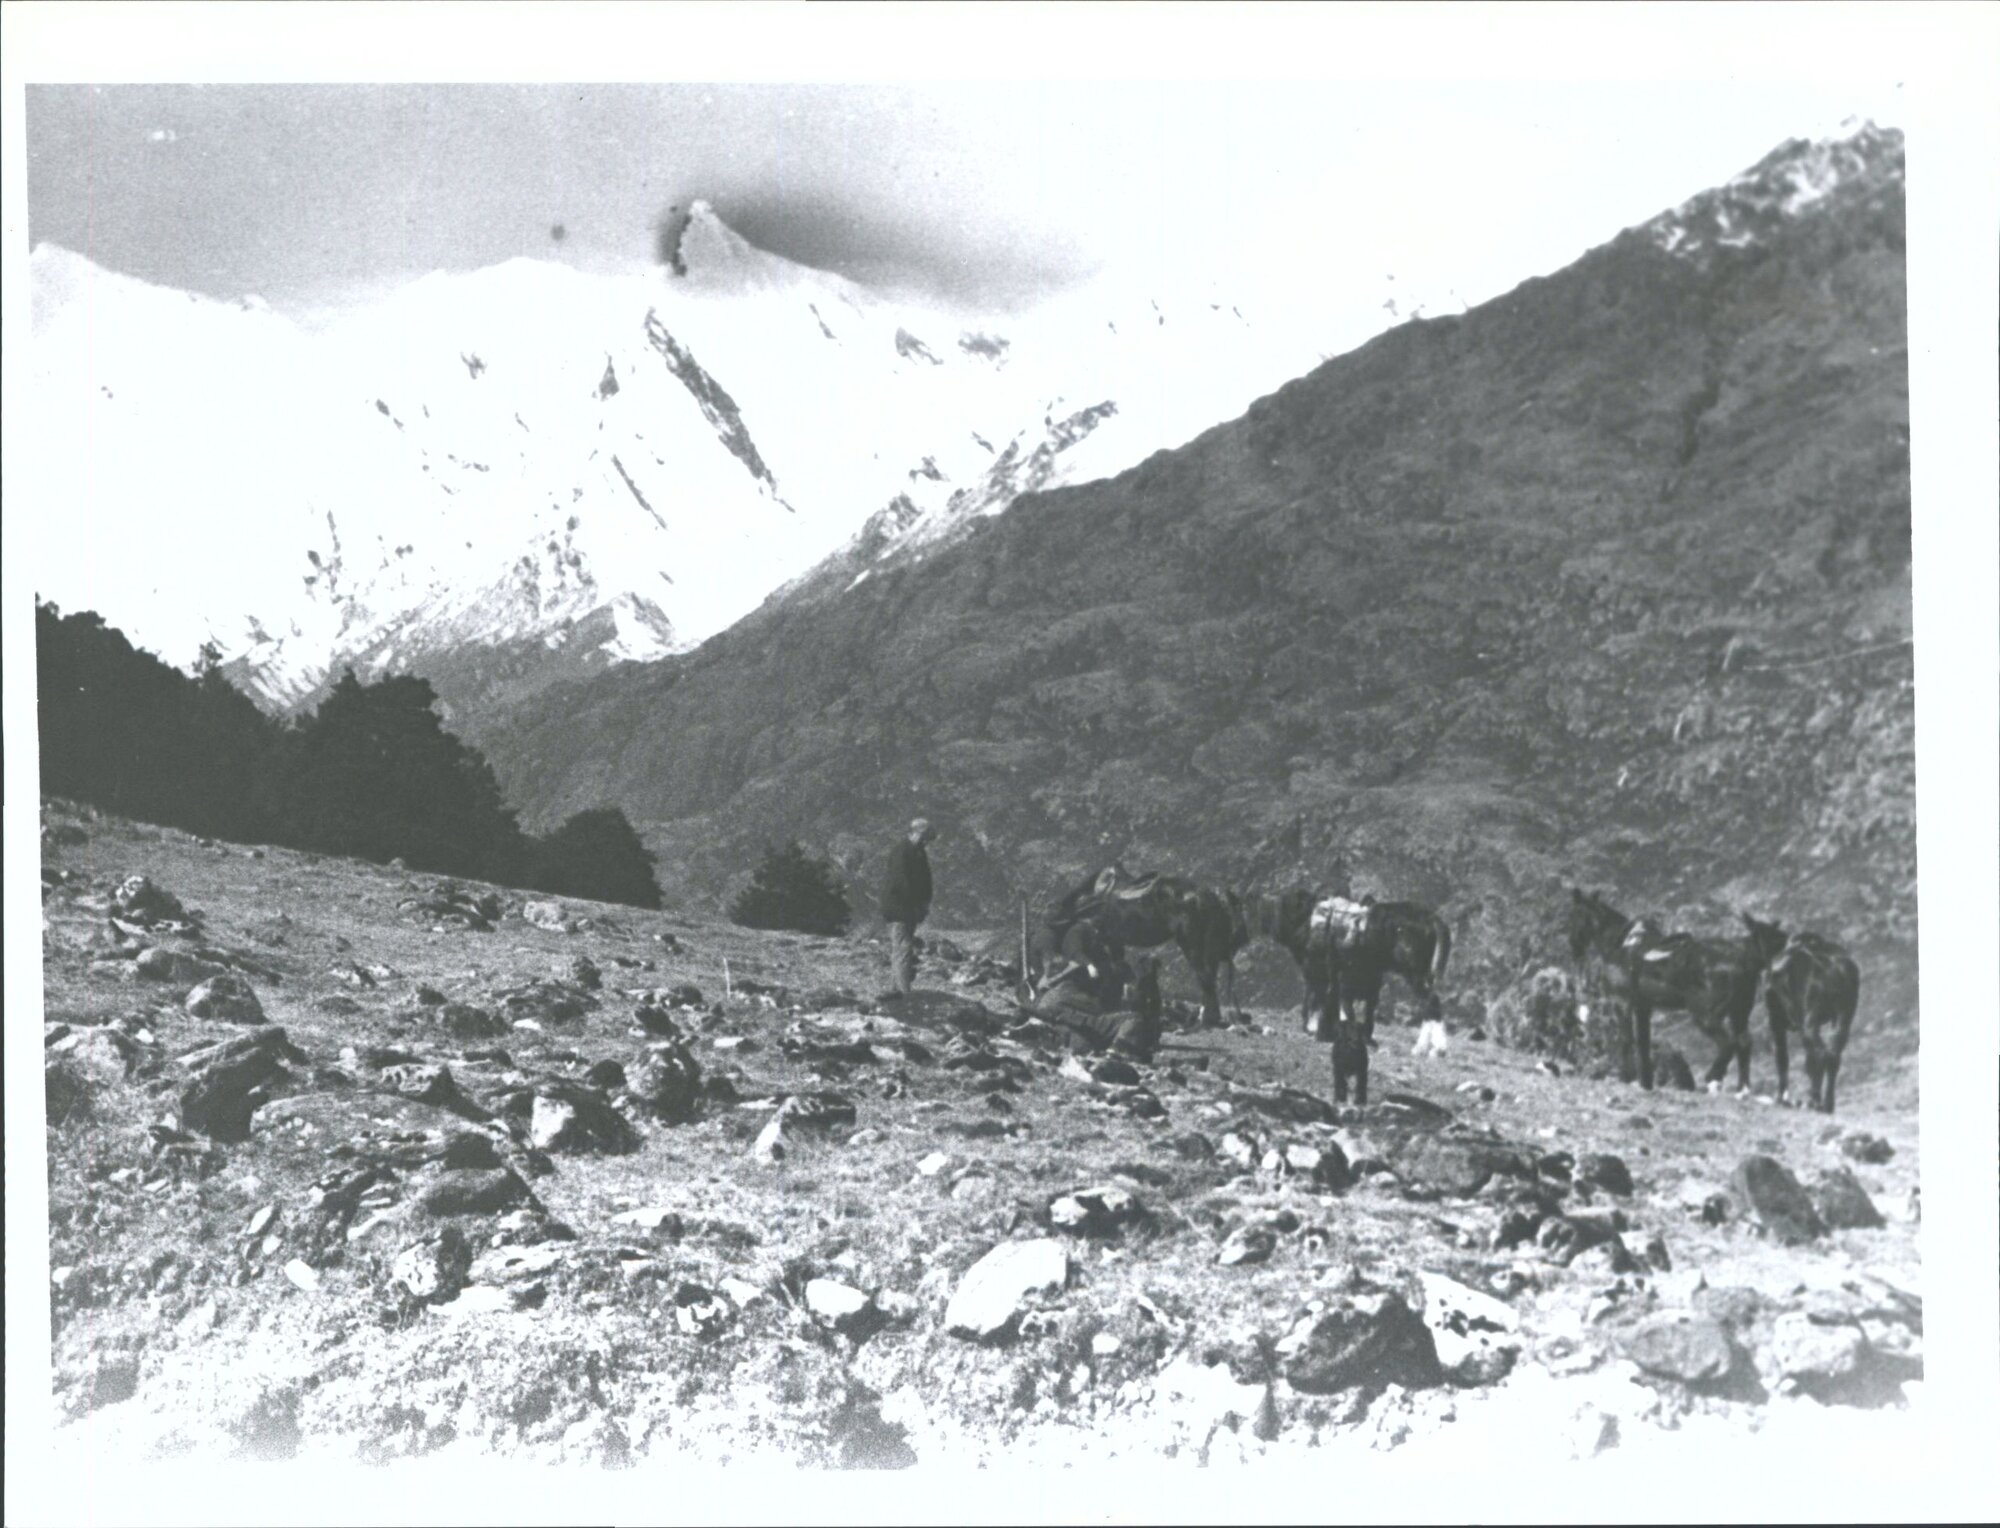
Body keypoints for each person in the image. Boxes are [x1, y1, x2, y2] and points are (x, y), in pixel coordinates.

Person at [878, 817, 937, 998]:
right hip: (899, 907)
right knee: (903, 949)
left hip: (909, 908)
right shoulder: (902, 851)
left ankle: (896, 990)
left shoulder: (918, 852)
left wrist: (924, 903)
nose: (926, 841)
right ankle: (904, 993)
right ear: (915, 832)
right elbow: (901, 883)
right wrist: (915, 905)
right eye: (924, 836)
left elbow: (925, 881)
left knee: (903, 948)